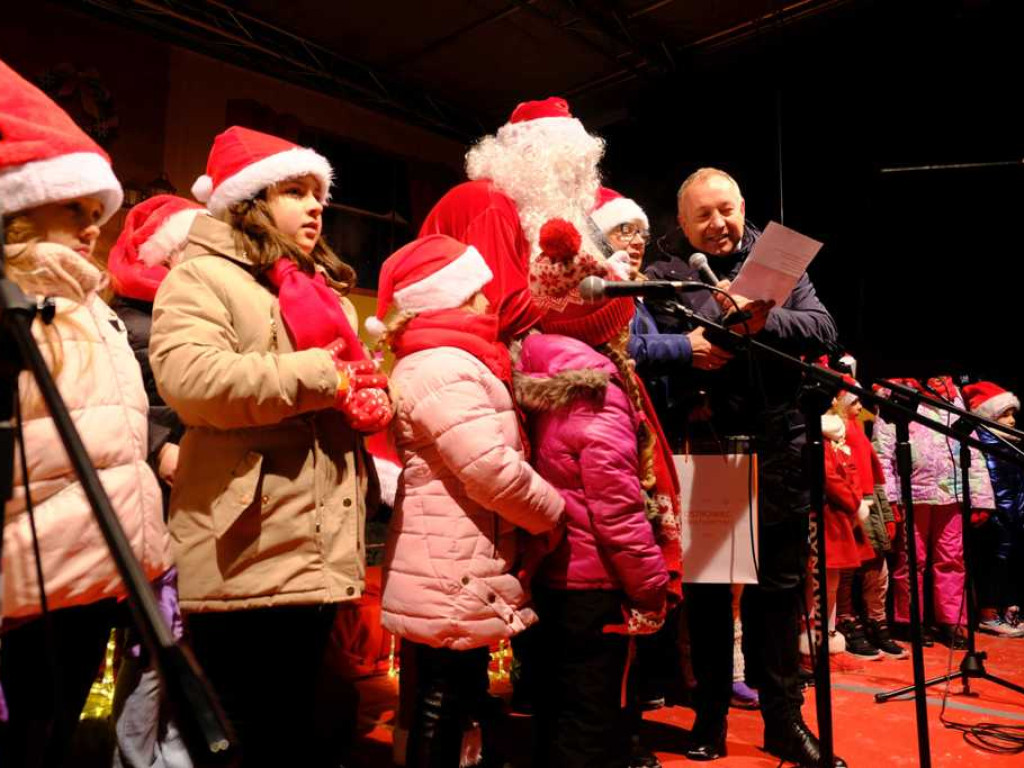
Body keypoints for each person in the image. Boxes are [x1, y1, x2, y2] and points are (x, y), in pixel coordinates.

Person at [149, 125, 393, 766]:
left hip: (310, 547)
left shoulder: (309, 286)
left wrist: (368, 395)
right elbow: (192, 381)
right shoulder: (202, 277)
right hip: (245, 549)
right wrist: (326, 375)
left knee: (312, 730)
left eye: (320, 193)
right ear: (250, 200)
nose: (317, 206)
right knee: (253, 735)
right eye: (295, 190)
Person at [0, 58, 171, 766]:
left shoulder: (91, 308)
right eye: (74, 207)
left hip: (90, 584)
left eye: (97, 213)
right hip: (20, 597)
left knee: (52, 741)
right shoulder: (15, 302)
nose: (93, 228)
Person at [645, 167, 842, 766]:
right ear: (682, 223)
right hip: (712, 448)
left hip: (780, 447)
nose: (718, 224)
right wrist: (706, 330)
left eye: (725, 209)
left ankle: (784, 722)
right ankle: (709, 721)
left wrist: (763, 316)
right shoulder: (663, 275)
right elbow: (653, 350)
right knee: (709, 599)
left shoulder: (781, 263)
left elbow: (824, 327)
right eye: (702, 215)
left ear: (742, 206)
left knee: (779, 597)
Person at [372, 234, 565, 767]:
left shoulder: (449, 360)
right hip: (448, 561)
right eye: (477, 290)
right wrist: (552, 513)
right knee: (443, 696)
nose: (487, 301)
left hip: (454, 553)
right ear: (449, 298)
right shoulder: (442, 367)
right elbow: (488, 468)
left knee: (452, 692)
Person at [515, 218, 670, 768]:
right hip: (592, 581)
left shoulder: (533, 368)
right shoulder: (597, 389)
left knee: (552, 712)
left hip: (549, 575)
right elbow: (618, 510)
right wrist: (651, 585)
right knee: (590, 720)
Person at [107, 195, 208, 768]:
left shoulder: (184, 315)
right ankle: (136, 755)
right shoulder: (141, 322)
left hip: (186, 491)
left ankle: (169, 752)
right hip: (157, 493)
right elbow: (127, 405)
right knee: (154, 640)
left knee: (175, 639)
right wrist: (160, 447)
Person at [873, 376, 996, 649]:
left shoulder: (952, 398)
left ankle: (951, 620)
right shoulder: (897, 396)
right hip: (912, 494)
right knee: (911, 559)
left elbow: (972, 451)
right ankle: (909, 620)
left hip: (951, 493)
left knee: (952, 558)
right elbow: (882, 452)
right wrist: (890, 498)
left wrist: (980, 498)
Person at [830, 379, 906, 658]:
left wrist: (887, 512)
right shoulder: (833, 430)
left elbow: (874, 474)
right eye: (855, 402)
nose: (860, 407)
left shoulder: (859, 429)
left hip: (869, 500)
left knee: (877, 566)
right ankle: (847, 621)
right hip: (848, 503)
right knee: (847, 569)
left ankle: (877, 620)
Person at [963, 381, 1024, 637]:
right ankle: (987, 613)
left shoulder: (1011, 443)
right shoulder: (981, 442)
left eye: (1012, 414)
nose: (1010, 421)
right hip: (992, 513)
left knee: (1011, 560)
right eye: (1004, 415)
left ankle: (1009, 608)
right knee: (991, 562)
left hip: (1013, 512)